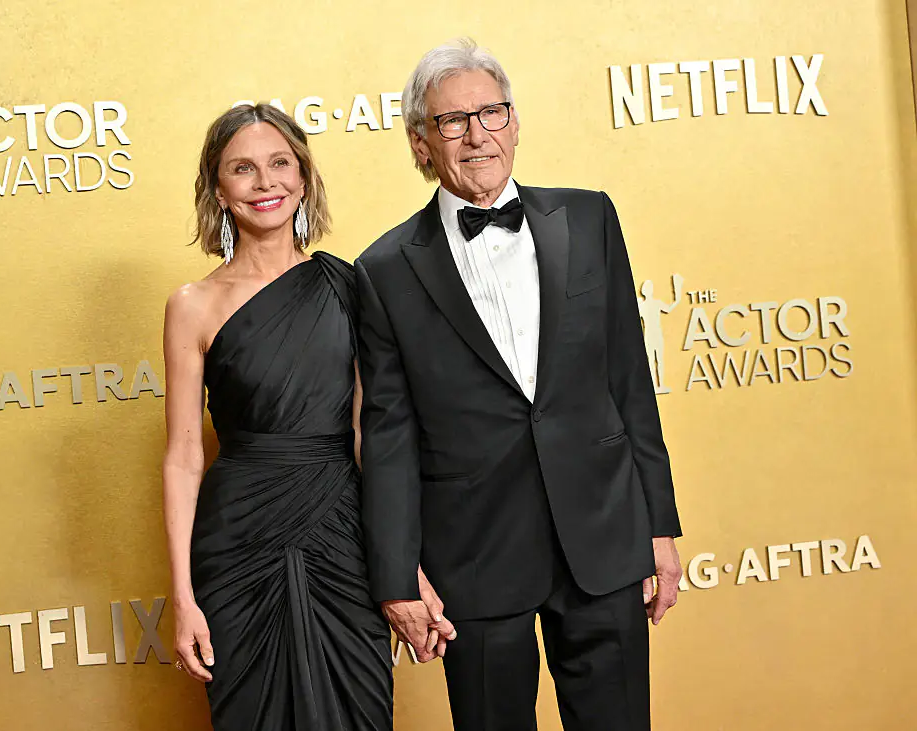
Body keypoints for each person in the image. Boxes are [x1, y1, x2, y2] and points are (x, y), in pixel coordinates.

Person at [356, 39, 683, 731]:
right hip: (473, 557)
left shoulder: (589, 216)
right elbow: (387, 434)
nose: (478, 135)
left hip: (601, 535)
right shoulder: (382, 269)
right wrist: (395, 575)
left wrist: (658, 521)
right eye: (452, 122)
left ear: (514, 119)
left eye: (492, 112)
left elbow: (628, 377)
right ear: (421, 144)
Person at [162, 103, 392, 731]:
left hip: (342, 532)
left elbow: (370, 435)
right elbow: (183, 457)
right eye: (243, 168)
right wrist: (182, 598)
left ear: (303, 176)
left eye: (279, 164)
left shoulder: (348, 284)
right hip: (238, 544)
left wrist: (403, 568)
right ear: (219, 187)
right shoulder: (191, 305)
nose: (265, 183)